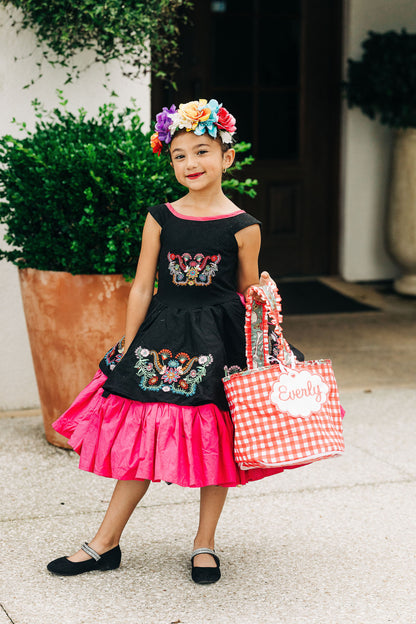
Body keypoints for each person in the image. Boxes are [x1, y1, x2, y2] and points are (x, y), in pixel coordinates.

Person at [47, 98, 303, 584]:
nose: (191, 163)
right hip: (162, 338)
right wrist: (127, 344)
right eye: (179, 154)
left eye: (202, 151)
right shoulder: (160, 216)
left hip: (220, 340)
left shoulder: (245, 226)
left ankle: (204, 544)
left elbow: (247, 290)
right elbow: (143, 285)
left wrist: (265, 301)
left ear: (227, 157)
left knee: (215, 440)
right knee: (143, 436)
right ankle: (104, 543)